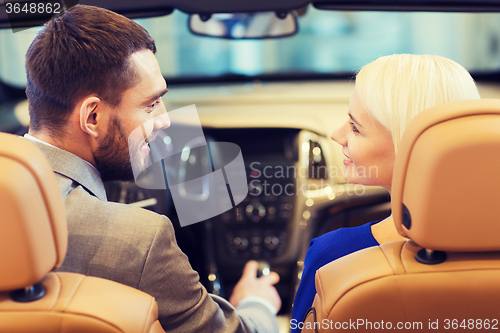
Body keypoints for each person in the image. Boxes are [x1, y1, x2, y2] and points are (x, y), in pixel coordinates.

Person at [23, 5, 281, 333]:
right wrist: (256, 303)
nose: (166, 120)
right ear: (92, 118)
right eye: (151, 104)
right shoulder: (141, 240)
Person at [290, 54, 481, 330]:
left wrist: (258, 305)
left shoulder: (333, 256)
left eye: (355, 127)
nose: (337, 134)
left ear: (408, 145)